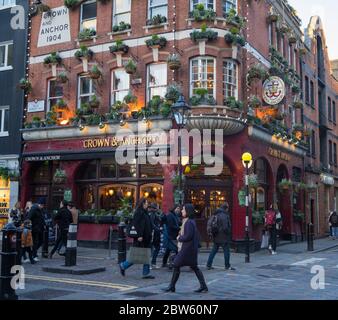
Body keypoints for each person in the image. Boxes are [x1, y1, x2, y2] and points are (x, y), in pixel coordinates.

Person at [164, 204, 208, 293]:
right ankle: (203, 286)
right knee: (194, 267)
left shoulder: (189, 222)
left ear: (188, 211)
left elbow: (188, 236)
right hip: (190, 249)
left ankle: (172, 286)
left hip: (187, 249)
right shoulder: (189, 221)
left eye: (183, 210)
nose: (182, 211)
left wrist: (179, 238)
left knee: (176, 265)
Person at [119, 198, 155, 279]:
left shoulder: (145, 212)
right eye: (146, 203)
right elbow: (136, 225)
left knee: (147, 255)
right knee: (136, 256)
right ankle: (123, 265)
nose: (147, 204)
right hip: (140, 238)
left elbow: (148, 224)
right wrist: (139, 235)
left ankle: (146, 273)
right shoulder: (139, 212)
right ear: (142, 203)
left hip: (146, 238)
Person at [206, 202, 235, 271]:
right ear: (226, 208)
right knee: (226, 251)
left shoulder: (216, 214)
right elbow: (225, 227)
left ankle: (208, 264)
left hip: (216, 236)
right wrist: (228, 233)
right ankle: (227, 266)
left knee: (213, 251)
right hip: (224, 237)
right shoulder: (224, 215)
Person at [149, 203, 162, 269]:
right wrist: (158, 229)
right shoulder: (152, 214)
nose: (157, 209)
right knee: (156, 248)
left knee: (155, 248)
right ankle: (152, 263)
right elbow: (152, 224)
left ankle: (152, 263)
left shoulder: (154, 214)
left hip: (155, 233)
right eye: (156, 207)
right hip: (154, 234)